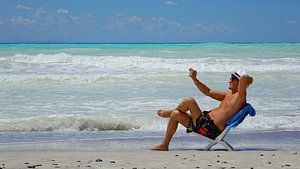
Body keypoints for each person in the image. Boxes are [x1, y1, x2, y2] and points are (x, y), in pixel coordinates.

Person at [151, 68, 253, 151]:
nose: (229, 80)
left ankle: (168, 113)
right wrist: (195, 79)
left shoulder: (240, 97)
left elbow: (244, 79)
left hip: (210, 129)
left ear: (239, 82)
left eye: (232, 78)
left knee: (189, 100)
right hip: (203, 122)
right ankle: (164, 145)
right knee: (175, 114)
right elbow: (208, 91)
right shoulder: (228, 95)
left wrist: (245, 79)